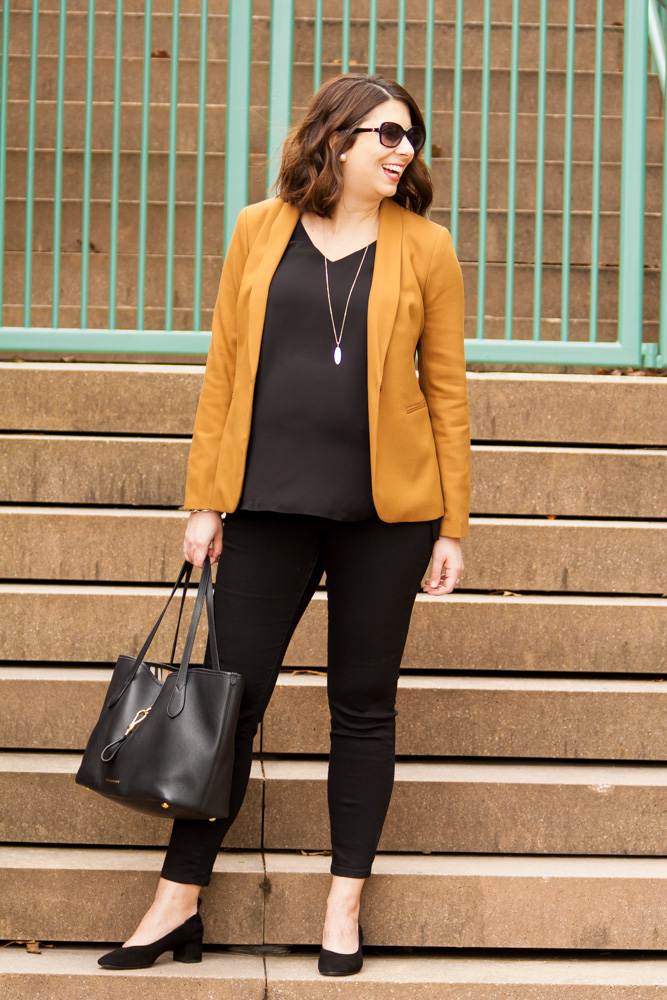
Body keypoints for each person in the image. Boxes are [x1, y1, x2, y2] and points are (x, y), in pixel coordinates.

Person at [98, 71, 470, 977]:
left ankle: (343, 906)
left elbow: (447, 394)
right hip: (264, 508)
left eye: (410, 137)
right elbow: (224, 371)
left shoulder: (425, 247)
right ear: (335, 138)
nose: (402, 150)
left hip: (387, 518)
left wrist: (451, 527)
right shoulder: (258, 231)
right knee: (230, 707)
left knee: (362, 710)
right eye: (384, 133)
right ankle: (176, 902)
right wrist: (204, 501)